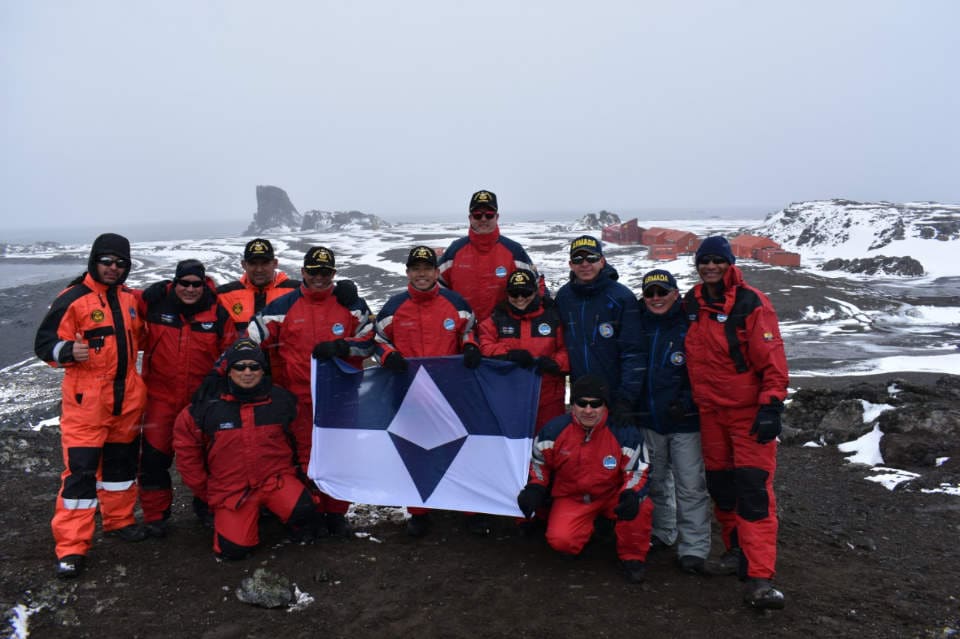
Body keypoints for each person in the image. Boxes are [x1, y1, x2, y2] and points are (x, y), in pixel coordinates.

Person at [683, 236, 789, 610]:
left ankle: (760, 578)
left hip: (746, 413)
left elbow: (772, 358)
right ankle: (735, 552)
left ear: (729, 263)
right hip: (710, 413)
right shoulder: (692, 303)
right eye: (704, 261)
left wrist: (771, 406)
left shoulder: (752, 303)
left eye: (717, 260)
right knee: (722, 487)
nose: (710, 266)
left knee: (754, 491)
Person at [34, 233, 149, 578]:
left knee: (121, 468)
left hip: (126, 401)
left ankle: (119, 522)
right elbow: (44, 343)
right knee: (80, 476)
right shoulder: (73, 298)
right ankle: (71, 547)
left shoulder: (130, 299)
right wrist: (67, 352)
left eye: (121, 263)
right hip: (86, 405)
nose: (113, 268)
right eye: (107, 261)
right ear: (94, 261)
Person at [247, 246, 373, 537]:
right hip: (299, 400)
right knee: (305, 458)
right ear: (302, 272)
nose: (319, 278)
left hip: (341, 398)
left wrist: (344, 347)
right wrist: (236, 368)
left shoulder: (351, 305)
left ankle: (336, 514)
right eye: (314, 272)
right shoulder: (283, 307)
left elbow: (370, 339)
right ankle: (311, 513)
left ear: (334, 274)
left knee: (339, 457)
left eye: (325, 273)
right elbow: (251, 338)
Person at [173, 338, 321, 559]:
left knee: (307, 513)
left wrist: (304, 475)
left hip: (276, 479)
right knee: (233, 550)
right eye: (240, 367)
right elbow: (187, 453)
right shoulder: (205, 407)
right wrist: (206, 491)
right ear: (229, 371)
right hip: (232, 488)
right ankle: (227, 516)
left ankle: (287, 517)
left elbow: (304, 441)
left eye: (254, 367)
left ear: (263, 370)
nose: (247, 372)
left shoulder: (282, 401)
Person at [374, 245, 481, 537]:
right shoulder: (394, 306)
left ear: (436, 272)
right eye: (416, 269)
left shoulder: (456, 302)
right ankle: (420, 513)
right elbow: (379, 340)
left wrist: (471, 346)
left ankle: (468, 508)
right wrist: (387, 356)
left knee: (459, 449)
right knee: (414, 451)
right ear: (408, 272)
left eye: (427, 269)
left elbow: (471, 330)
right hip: (408, 394)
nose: (421, 274)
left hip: (450, 393)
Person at [516, 375, 654, 583]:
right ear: (573, 405)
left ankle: (632, 556)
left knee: (640, 506)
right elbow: (538, 463)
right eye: (582, 403)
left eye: (595, 404)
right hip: (574, 497)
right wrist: (536, 487)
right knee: (561, 541)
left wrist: (631, 493)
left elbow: (637, 470)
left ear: (605, 405)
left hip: (612, 495)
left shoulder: (623, 432)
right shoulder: (554, 430)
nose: (588, 410)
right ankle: (592, 529)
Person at [137, 259, 237, 537]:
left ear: (204, 284)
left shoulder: (217, 312)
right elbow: (119, 298)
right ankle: (156, 516)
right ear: (175, 283)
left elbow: (231, 349)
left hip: (202, 402)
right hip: (160, 399)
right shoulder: (156, 305)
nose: (190, 289)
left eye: (196, 284)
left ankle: (208, 509)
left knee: (208, 460)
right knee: (154, 461)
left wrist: (218, 377)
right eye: (184, 283)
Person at [637, 269, 712, 574]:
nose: (656, 299)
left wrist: (686, 400)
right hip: (649, 417)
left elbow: (704, 369)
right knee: (655, 480)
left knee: (690, 485)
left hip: (686, 421)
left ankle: (693, 547)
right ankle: (662, 531)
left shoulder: (690, 325)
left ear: (674, 293)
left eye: (662, 292)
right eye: (650, 293)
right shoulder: (638, 325)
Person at [554, 235, 645, 425]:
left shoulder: (621, 297)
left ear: (602, 261)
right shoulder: (564, 297)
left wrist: (626, 398)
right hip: (581, 400)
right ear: (571, 264)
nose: (585, 264)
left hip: (616, 399)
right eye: (578, 259)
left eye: (592, 258)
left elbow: (633, 352)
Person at [478, 268, 569, 432]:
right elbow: (484, 345)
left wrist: (555, 363)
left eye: (525, 293)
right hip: (508, 396)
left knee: (548, 443)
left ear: (535, 292)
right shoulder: (497, 318)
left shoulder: (553, 317)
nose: (520, 299)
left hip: (548, 397)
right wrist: (509, 354)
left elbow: (568, 348)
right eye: (514, 294)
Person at [437, 190, 538, 322]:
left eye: (489, 214)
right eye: (478, 215)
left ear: (497, 217)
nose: (483, 219)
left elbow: (535, 287)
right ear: (470, 218)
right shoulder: (454, 251)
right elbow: (437, 289)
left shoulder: (514, 251)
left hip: (503, 334)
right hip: (463, 334)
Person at [216, 238, 300, 332]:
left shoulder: (297, 291)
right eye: (253, 264)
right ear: (244, 265)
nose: (259, 269)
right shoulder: (223, 295)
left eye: (265, 263)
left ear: (275, 263)